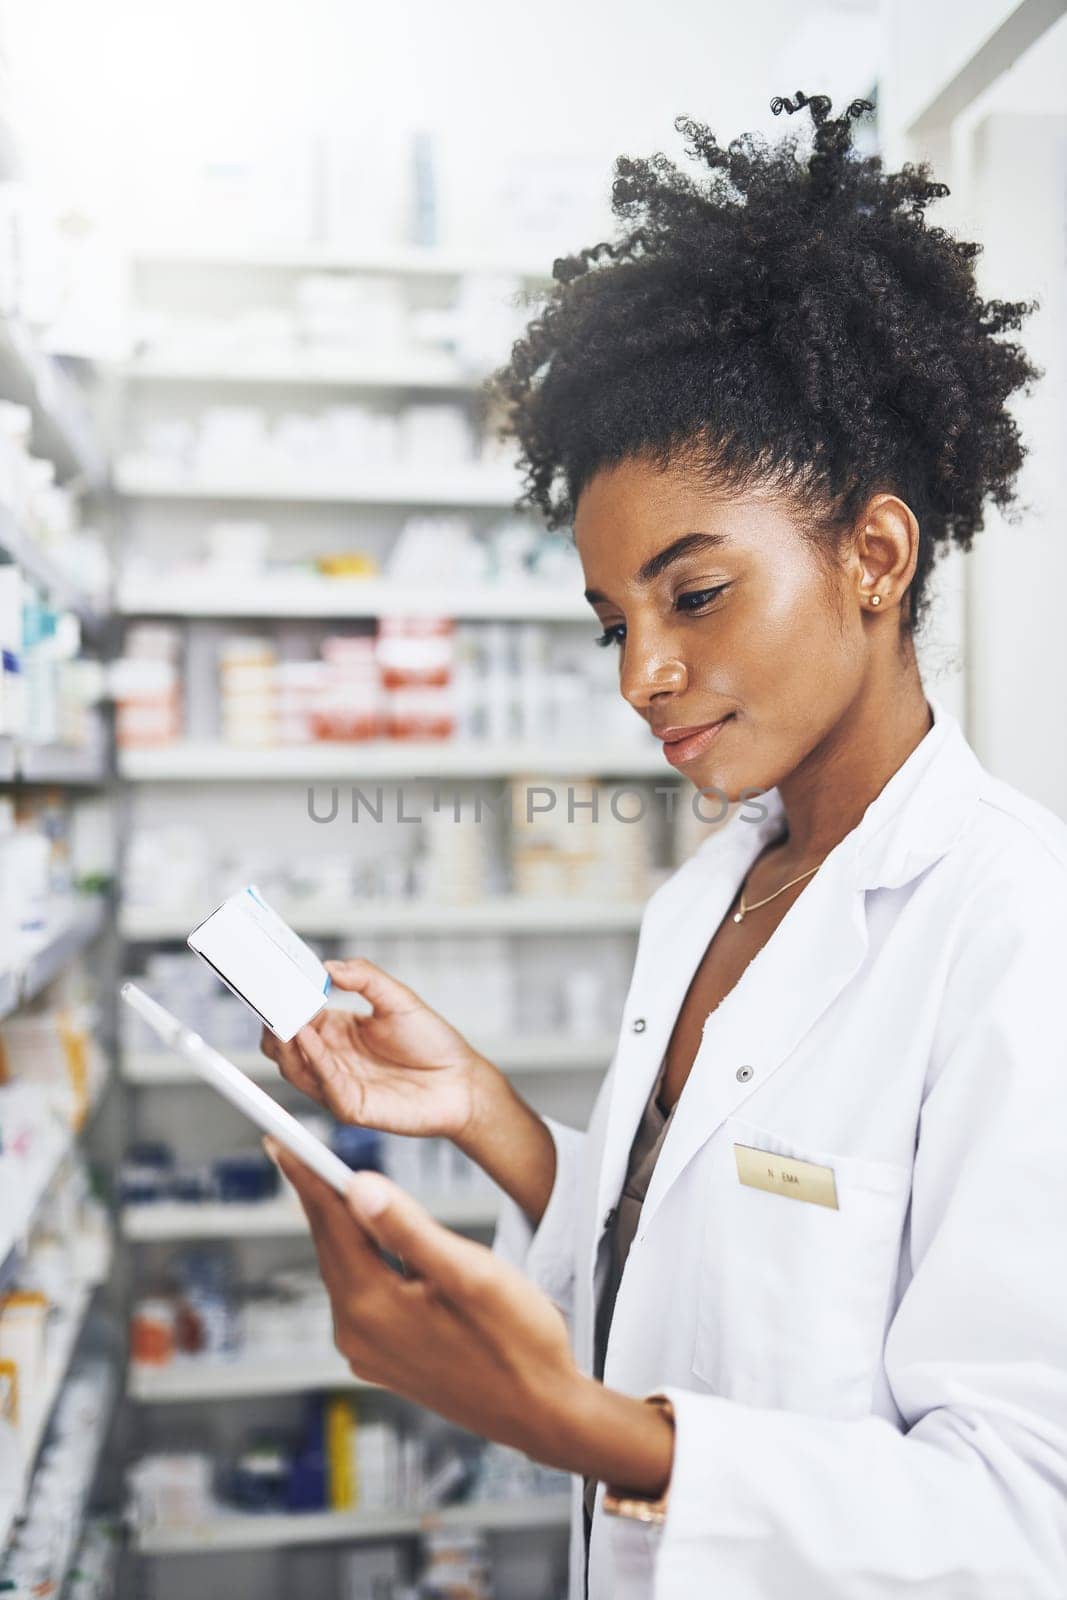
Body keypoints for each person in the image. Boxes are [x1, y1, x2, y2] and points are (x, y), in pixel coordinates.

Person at [260, 91, 1067, 1599]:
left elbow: (1026, 1518)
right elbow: (683, 1261)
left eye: (695, 597)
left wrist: (597, 1434)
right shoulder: (717, 889)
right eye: (614, 621)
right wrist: (495, 1122)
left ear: (874, 557)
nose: (641, 674)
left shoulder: (1018, 933)